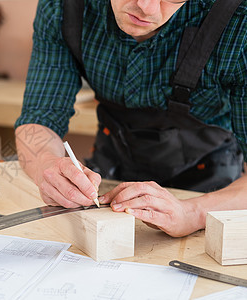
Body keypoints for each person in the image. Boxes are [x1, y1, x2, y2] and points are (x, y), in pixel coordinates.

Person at [14, 0, 247, 237]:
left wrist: (192, 213)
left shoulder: (239, 19)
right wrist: (45, 164)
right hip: (109, 179)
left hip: (211, 193)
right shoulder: (64, 6)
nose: (146, 6)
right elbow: (39, 118)